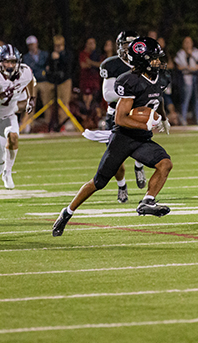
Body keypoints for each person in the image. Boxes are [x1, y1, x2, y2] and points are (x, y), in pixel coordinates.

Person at [52, 37, 173, 236]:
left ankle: (147, 202)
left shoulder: (161, 77)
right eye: (153, 58)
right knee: (98, 182)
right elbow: (121, 119)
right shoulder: (130, 81)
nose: (158, 61)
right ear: (142, 61)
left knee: (165, 164)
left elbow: (157, 97)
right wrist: (146, 123)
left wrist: (163, 118)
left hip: (142, 139)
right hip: (123, 138)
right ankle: (67, 212)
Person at [87, 32, 147, 203]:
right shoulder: (112, 64)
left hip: (137, 113)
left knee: (142, 147)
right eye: (125, 45)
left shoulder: (145, 63)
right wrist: (133, 92)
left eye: (132, 45)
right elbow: (108, 95)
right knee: (115, 158)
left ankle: (139, 165)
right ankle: (122, 185)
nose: (128, 49)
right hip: (116, 115)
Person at [0, 44, 35, 192]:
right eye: (6, 62)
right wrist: (1, 97)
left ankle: (6, 173)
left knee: (13, 138)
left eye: (13, 62)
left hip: (8, 116)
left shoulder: (24, 71)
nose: (10, 66)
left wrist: (31, 98)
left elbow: (29, 79)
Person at [41, 35, 74, 131]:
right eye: (56, 46)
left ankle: (62, 124)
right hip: (52, 82)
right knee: (48, 104)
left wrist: (60, 57)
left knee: (63, 104)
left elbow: (68, 67)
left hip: (64, 81)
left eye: (59, 45)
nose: (57, 48)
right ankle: (48, 124)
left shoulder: (67, 54)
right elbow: (47, 68)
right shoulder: (50, 55)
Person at [174, 36, 198, 126]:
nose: (187, 44)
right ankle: (183, 118)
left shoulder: (196, 52)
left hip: (195, 77)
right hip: (186, 77)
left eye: (189, 42)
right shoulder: (180, 53)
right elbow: (178, 66)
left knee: (197, 98)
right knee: (186, 98)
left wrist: (195, 68)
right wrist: (187, 68)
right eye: (185, 42)